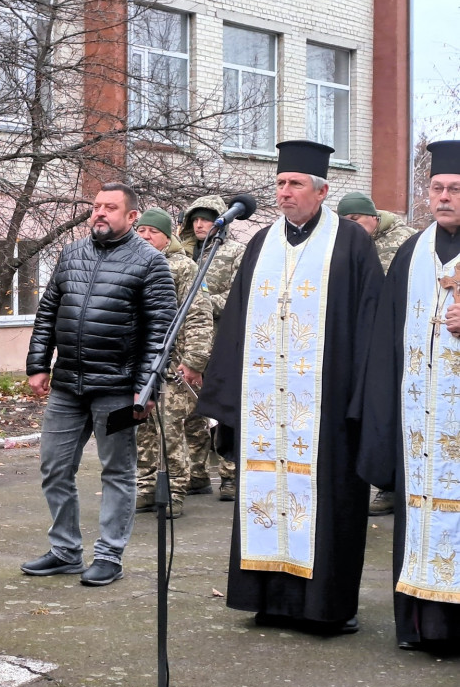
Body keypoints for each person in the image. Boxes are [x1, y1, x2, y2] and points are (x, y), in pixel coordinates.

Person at [196, 140, 383, 635]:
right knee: (266, 492)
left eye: (294, 183)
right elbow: (235, 321)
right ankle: (270, 601)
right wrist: (227, 400)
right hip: (265, 407)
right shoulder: (261, 244)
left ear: (321, 191)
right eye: (279, 183)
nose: (284, 192)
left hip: (327, 405)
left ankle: (326, 609)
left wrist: (363, 399)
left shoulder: (351, 243)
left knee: (328, 503)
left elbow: (371, 323)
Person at [21, 183, 175, 587]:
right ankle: (65, 551)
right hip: (68, 385)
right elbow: (47, 312)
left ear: (132, 216)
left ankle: (109, 555)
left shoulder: (151, 263)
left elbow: (161, 332)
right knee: (54, 467)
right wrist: (38, 363)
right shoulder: (72, 254)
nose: (100, 213)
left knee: (117, 472)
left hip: (119, 389)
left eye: (110, 208)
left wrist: (146, 390)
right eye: (96, 207)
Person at [358, 139, 460, 652]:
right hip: (421, 421)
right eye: (437, 188)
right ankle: (422, 627)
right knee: (421, 514)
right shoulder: (410, 253)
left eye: (455, 189)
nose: (444, 197)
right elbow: (383, 343)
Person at [335, 190, 416, 518]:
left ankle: (394, 487)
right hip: (362, 336)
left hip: (400, 335)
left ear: (372, 217)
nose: (351, 226)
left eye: (355, 219)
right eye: (345, 221)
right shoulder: (346, 244)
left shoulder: (406, 243)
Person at [133, 209, 214, 519]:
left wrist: (194, 360)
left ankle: (175, 489)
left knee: (170, 428)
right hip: (140, 363)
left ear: (168, 236)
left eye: (152, 232)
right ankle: (146, 486)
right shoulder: (132, 263)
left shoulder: (184, 268)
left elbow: (198, 316)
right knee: (141, 426)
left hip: (172, 363)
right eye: (140, 231)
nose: (144, 236)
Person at [178, 195, 246, 500]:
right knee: (190, 410)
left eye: (205, 218)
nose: (200, 224)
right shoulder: (185, 253)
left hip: (221, 341)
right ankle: (197, 472)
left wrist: (199, 303)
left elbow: (238, 296)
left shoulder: (235, 253)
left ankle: (230, 477)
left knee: (222, 407)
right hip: (187, 341)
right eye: (195, 219)